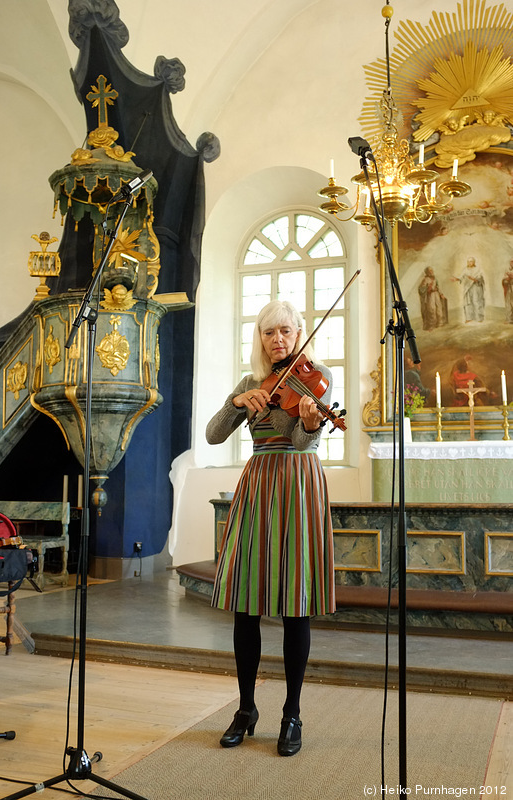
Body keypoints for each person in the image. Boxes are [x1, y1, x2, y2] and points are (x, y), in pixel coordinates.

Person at [206, 300, 336, 757]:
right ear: (259, 338)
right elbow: (213, 435)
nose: (278, 339)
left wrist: (308, 419)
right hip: (258, 482)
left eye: (285, 331)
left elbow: (303, 441)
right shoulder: (250, 384)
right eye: (268, 333)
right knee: (246, 604)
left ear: (299, 332)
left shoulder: (317, 378)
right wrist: (237, 402)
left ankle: (292, 713)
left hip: (298, 483)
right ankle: (246, 709)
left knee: (295, 605)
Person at [451, 257, 485, 323]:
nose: (469, 263)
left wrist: (474, 279)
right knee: (467, 302)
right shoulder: (465, 269)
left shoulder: (478, 269)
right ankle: (469, 318)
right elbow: (461, 277)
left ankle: (479, 318)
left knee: (476, 302)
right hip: (467, 288)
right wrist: (456, 279)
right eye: (468, 261)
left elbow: (481, 278)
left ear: (474, 262)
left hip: (476, 287)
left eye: (471, 261)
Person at [418, 267, 447, 331]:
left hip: (436, 294)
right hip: (430, 296)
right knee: (431, 309)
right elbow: (421, 289)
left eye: (432, 270)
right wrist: (428, 289)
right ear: (427, 272)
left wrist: (441, 294)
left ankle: (439, 323)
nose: (431, 271)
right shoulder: (425, 280)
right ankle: (431, 325)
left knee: (439, 308)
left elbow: (437, 286)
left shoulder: (434, 278)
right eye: (430, 270)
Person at [502, 259, 513, 323]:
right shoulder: (507, 270)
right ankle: (509, 319)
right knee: (508, 303)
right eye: (511, 262)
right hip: (509, 288)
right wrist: (507, 279)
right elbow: (504, 279)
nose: (512, 264)